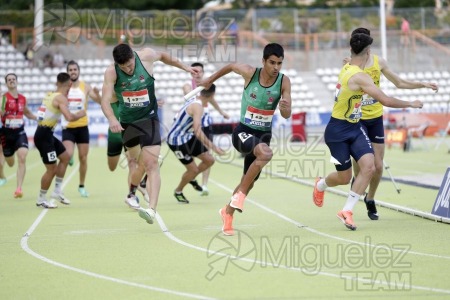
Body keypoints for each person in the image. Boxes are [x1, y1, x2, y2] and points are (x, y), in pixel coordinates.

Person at [312, 33, 423, 231]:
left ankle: (347, 211)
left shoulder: (348, 67)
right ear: (368, 52)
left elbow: (358, 70)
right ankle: (321, 184)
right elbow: (386, 100)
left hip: (354, 127)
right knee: (344, 178)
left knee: (370, 166)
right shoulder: (359, 76)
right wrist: (411, 103)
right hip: (337, 131)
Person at [343, 28, 439, 221]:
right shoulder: (350, 65)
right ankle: (357, 180)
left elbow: (399, 83)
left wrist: (423, 84)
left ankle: (370, 199)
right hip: (357, 118)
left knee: (378, 166)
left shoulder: (379, 62)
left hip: (376, 118)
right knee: (362, 163)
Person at [101, 43, 199, 225]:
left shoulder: (146, 56)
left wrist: (186, 67)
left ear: (133, 56)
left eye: (130, 65)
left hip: (150, 119)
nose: (129, 70)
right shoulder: (111, 72)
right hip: (128, 123)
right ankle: (131, 192)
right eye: (124, 68)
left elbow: (165, 56)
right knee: (135, 163)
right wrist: (111, 119)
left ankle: (151, 209)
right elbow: (105, 100)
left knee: (151, 163)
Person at [200, 43, 292, 236]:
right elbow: (231, 66)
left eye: (279, 63)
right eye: (272, 63)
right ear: (264, 61)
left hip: (263, 135)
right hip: (243, 132)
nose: (276, 67)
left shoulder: (284, 82)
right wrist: (209, 79)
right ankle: (240, 195)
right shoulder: (250, 73)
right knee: (265, 153)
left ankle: (227, 212)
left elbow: (286, 114)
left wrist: (284, 107)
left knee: (249, 181)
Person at [34, 72, 86, 208]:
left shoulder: (49, 94)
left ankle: (57, 191)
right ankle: (41, 198)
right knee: (51, 169)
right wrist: (80, 114)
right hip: (44, 137)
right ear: (69, 84)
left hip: (46, 134)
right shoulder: (61, 98)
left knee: (65, 157)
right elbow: (68, 117)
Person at [168, 84, 225, 204]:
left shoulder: (192, 97)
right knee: (192, 169)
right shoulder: (198, 107)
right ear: (212, 95)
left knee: (209, 160)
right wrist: (215, 148)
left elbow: (186, 86)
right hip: (176, 141)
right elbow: (198, 132)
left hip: (188, 137)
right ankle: (178, 191)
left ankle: (191, 178)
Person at [182, 62, 229, 196]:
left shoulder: (207, 86)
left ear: (203, 73)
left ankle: (204, 185)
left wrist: (221, 112)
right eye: (194, 72)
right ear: (191, 73)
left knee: (207, 153)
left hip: (206, 123)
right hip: (192, 124)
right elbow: (189, 95)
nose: (197, 74)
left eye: (199, 72)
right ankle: (192, 175)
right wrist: (199, 88)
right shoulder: (187, 86)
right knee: (193, 153)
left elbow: (211, 99)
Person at [61, 60, 101, 198]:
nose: (73, 72)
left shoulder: (85, 87)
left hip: (82, 127)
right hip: (68, 127)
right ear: (67, 72)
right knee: (67, 155)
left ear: (78, 71)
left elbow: (100, 101)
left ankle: (81, 186)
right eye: (70, 70)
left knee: (83, 158)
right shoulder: (64, 88)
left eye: (75, 70)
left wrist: (98, 93)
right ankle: (58, 187)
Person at [0, 73, 37, 198]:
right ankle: (9, 157)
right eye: (9, 80)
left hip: (20, 132)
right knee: (10, 162)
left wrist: (39, 118)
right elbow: (1, 111)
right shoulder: (3, 98)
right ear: (6, 83)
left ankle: (19, 189)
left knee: (22, 157)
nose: (11, 81)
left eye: (13, 79)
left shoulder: (22, 98)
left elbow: (27, 113)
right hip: (6, 133)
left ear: (17, 81)